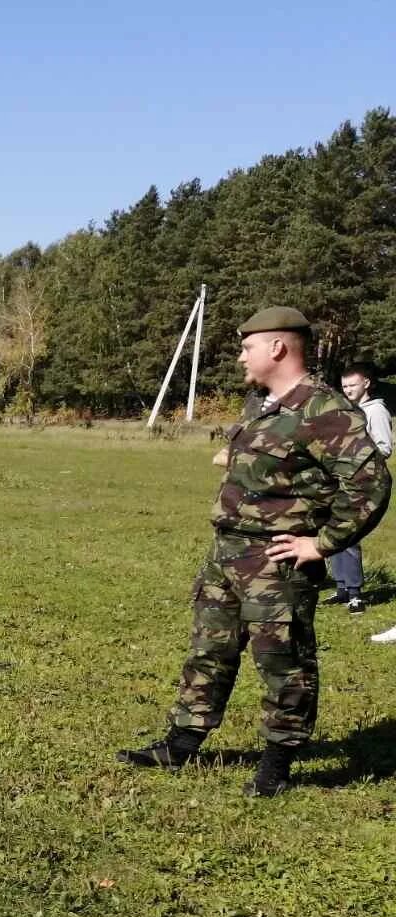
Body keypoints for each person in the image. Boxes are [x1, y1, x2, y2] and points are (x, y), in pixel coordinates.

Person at [118, 307, 390, 796]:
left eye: (247, 346)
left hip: (275, 562)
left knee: (283, 661)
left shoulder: (325, 410)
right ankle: (181, 743)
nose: (241, 354)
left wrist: (322, 543)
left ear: (278, 348)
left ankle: (276, 766)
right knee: (210, 650)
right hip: (227, 552)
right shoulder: (260, 403)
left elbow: (369, 485)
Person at [322, 362, 391, 615]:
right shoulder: (350, 410)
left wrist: (356, 459)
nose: (348, 390)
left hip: (365, 483)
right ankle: (341, 588)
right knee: (335, 529)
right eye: (344, 386)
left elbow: (384, 448)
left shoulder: (376, 411)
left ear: (366, 384)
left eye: (352, 385)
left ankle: (355, 594)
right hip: (343, 479)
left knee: (350, 535)